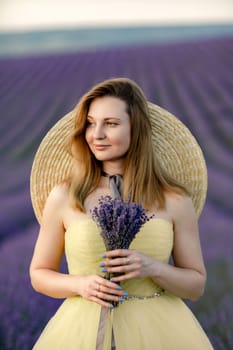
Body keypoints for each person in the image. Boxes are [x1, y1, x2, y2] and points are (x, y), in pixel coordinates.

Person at [30, 77, 213, 349]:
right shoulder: (65, 196)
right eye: (91, 123)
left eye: (111, 124)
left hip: (160, 332)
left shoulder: (174, 199)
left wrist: (152, 267)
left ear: (135, 129)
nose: (97, 134)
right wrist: (80, 285)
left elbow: (195, 285)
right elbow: (39, 274)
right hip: (80, 331)